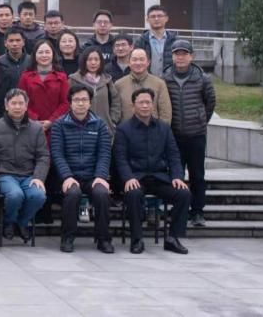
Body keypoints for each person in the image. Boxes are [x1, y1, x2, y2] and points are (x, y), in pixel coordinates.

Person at [115, 87, 191, 255]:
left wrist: (177, 176)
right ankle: (137, 239)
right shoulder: (123, 129)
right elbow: (120, 159)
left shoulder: (164, 128)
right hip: (136, 177)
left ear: (153, 105)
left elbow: (174, 155)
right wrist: (128, 178)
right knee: (133, 194)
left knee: (184, 194)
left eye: (148, 102)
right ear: (133, 105)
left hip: (159, 177)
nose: (145, 106)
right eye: (141, 102)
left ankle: (173, 238)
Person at [0, 88, 49, 243]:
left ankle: (21, 222)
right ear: (6, 105)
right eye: (13, 103)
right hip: (3, 175)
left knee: (39, 196)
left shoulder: (36, 129)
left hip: (28, 175)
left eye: (21, 103)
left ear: (26, 106)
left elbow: (43, 156)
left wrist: (39, 177)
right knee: (15, 195)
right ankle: (9, 222)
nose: (17, 107)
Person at [50, 85, 114, 253]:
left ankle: (103, 239)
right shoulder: (59, 125)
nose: (80, 103)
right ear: (70, 102)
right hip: (69, 176)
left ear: (90, 102)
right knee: (72, 194)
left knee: (102, 194)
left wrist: (100, 176)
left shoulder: (100, 124)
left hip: (93, 176)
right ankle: (68, 237)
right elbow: (57, 154)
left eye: (84, 100)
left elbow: (104, 153)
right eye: (76, 100)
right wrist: (67, 176)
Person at [162, 40, 216, 227]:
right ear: (172, 56)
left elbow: (210, 102)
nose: (180, 57)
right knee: (174, 174)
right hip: (174, 136)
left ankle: (198, 211)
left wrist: (201, 120)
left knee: (197, 175)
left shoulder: (202, 78)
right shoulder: (165, 78)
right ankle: (177, 211)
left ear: (191, 56)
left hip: (196, 135)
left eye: (184, 54)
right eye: (177, 54)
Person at [18, 40, 70, 138]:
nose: (44, 55)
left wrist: (51, 120)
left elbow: (66, 102)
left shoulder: (62, 77)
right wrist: (34, 119)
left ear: (53, 54)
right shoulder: (25, 77)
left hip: (56, 127)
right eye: (40, 52)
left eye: (47, 52)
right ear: (35, 55)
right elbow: (21, 101)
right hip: (30, 125)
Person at [69, 47, 122, 134]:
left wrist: (113, 120)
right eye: (89, 60)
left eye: (96, 59)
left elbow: (115, 100)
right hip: (79, 129)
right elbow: (67, 102)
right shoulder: (74, 80)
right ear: (84, 61)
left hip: (104, 129)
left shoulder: (107, 80)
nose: (93, 63)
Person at [114, 48, 173, 123]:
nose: (138, 63)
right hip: (126, 129)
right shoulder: (119, 84)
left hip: (153, 129)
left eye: (142, 59)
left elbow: (165, 113)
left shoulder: (159, 84)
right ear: (129, 62)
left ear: (148, 62)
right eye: (134, 59)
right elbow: (115, 111)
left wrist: (162, 129)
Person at [134, 4, 180, 77]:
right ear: (147, 20)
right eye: (153, 16)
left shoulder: (175, 41)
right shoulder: (140, 41)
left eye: (160, 16)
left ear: (166, 18)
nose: (156, 19)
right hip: (147, 80)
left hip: (170, 80)